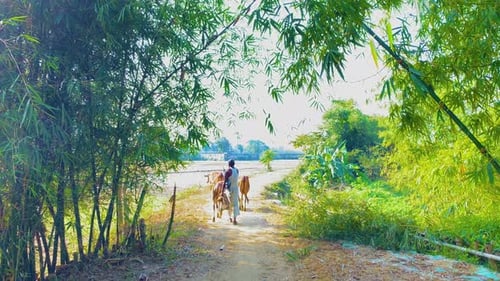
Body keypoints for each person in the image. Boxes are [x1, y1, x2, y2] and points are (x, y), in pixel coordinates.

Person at [224, 159, 240, 225]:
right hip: (236, 188)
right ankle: (235, 219)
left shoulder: (228, 171)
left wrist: (222, 190)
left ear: (228, 164)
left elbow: (225, 182)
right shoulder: (237, 170)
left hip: (230, 189)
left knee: (229, 204)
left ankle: (230, 217)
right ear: (234, 164)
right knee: (235, 204)